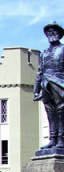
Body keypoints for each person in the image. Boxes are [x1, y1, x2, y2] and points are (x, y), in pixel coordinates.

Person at [34, 21, 64, 149]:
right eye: (49, 32)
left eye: (54, 31)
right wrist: (36, 90)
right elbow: (40, 72)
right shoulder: (45, 52)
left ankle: (61, 140)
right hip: (46, 84)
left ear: (59, 34)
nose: (52, 34)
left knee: (61, 112)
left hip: (60, 83)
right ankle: (53, 139)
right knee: (50, 113)